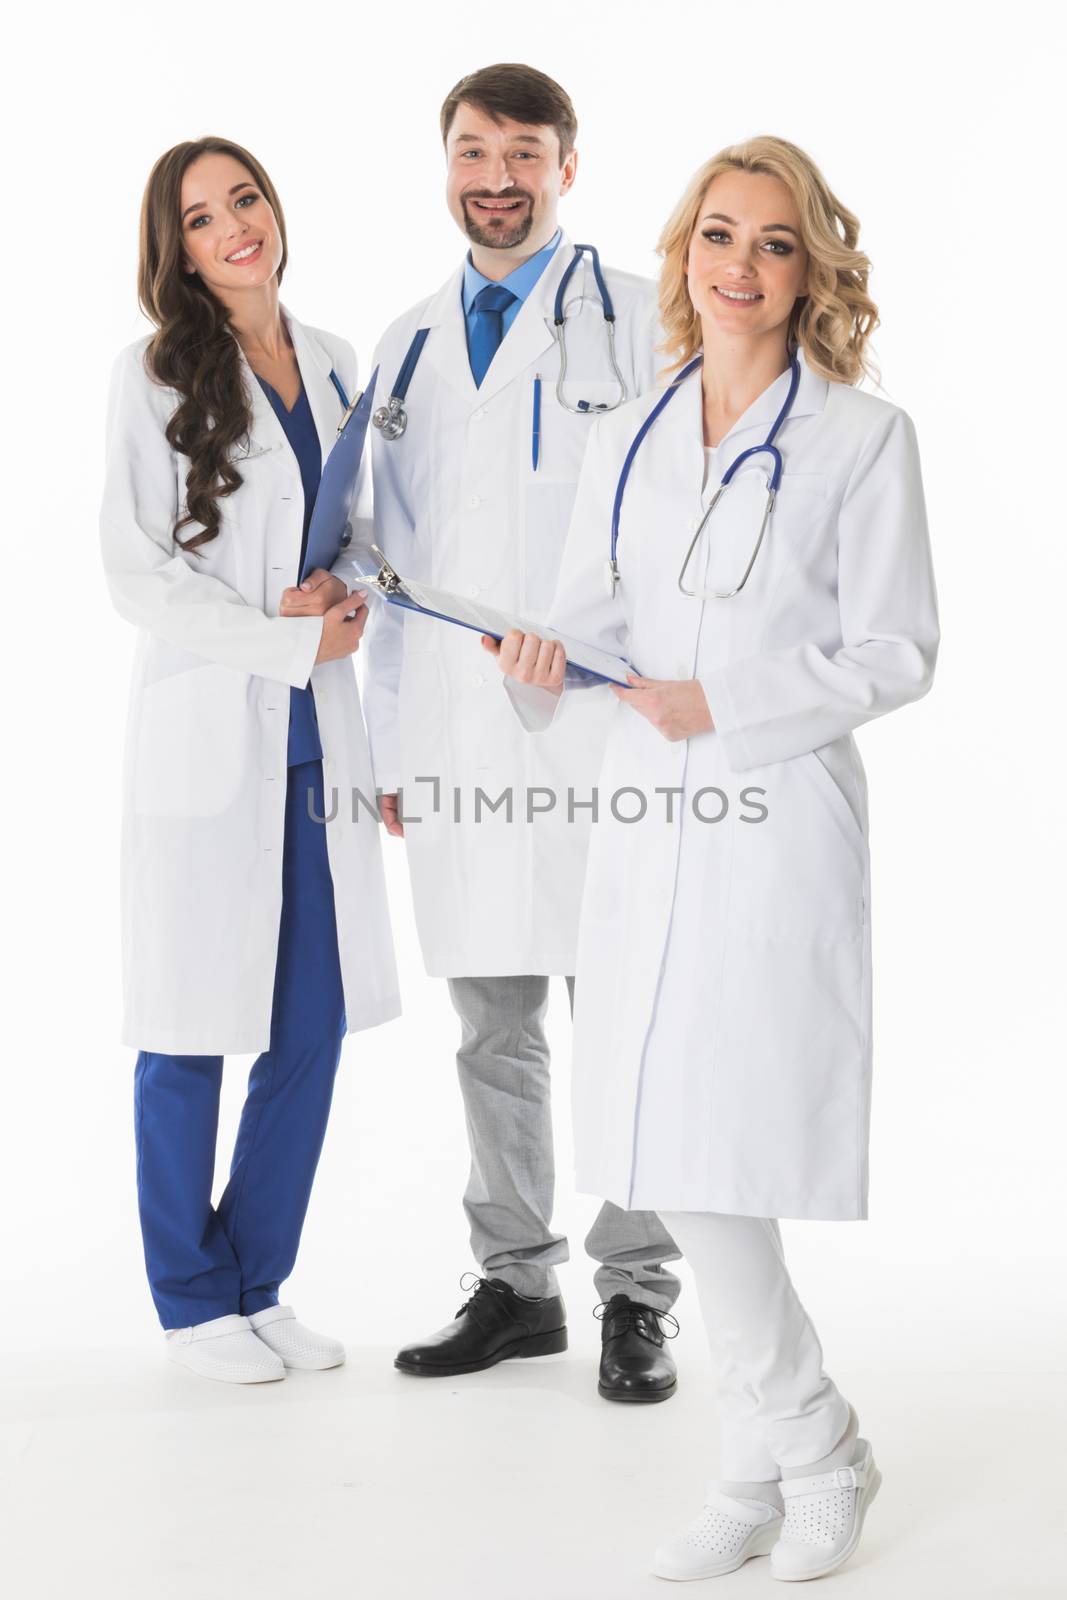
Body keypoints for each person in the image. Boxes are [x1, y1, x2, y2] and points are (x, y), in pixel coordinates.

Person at [489, 136, 938, 1580]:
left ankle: (798, 1445)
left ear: (812, 270)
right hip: (640, 816)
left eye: (772, 242)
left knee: (715, 1128)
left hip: (768, 813)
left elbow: (895, 649)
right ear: (682, 252)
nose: (737, 265)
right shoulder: (631, 426)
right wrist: (542, 659)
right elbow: (588, 617)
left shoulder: (862, 440)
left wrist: (723, 704)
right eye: (715, 236)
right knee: (665, 1135)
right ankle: (778, 1452)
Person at [363, 63, 682, 1399]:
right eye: (471, 150)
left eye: (523, 152)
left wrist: (595, 630)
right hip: (458, 740)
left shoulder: (639, 318)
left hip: (603, 728)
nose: (495, 176)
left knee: (627, 1022)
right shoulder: (410, 341)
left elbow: (679, 516)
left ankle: (636, 1296)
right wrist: (389, 749)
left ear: (568, 166)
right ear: (444, 162)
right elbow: (385, 558)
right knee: (491, 1031)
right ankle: (514, 1287)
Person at [100, 137, 400, 1384]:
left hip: (314, 735)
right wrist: (285, 635)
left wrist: (356, 591)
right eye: (203, 216)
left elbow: (368, 527)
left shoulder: (330, 359)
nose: (234, 226)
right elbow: (138, 573)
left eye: (246, 200)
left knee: (311, 1024)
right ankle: (189, 1302)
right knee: (187, 1025)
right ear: (175, 247)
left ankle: (258, 1281)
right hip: (212, 731)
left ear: (275, 210)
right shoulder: (153, 371)